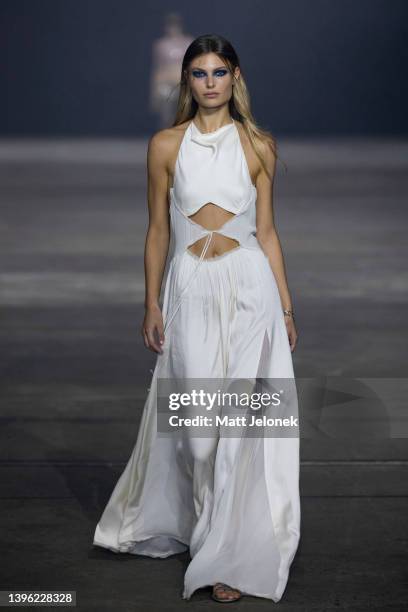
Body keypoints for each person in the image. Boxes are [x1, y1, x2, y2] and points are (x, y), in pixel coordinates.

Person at [93, 33, 301, 604]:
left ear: (235, 77)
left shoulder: (260, 144)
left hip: (249, 294)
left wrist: (285, 307)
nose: (209, 83)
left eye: (219, 72)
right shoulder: (165, 145)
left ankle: (223, 554)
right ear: (186, 82)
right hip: (190, 294)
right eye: (198, 74)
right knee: (197, 437)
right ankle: (201, 528)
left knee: (236, 432)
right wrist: (151, 302)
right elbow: (157, 230)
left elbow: (267, 232)